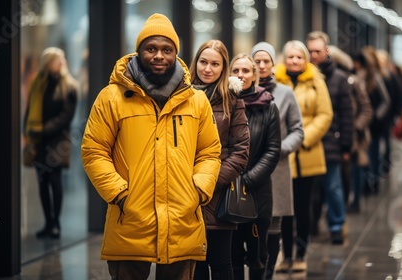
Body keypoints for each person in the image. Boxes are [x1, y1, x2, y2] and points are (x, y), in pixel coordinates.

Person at [81, 13, 222, 279]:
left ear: (175, 54)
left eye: (166, 50)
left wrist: (198, 190)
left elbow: (210, 152)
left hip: (182, 220)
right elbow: (94, 150)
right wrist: (121, 195)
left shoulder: (196, 101)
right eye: (151, 49)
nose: (159, 56)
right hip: (130, 221)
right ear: (139, 52)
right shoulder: (112, 98)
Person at [189, 39, 250, 280]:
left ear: (223, 68)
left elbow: (241, 150)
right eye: (203, 62)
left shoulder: (232, 99)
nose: (208, 69)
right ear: (196, 63)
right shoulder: (181, 95)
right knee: (195, 263)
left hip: (218, 192)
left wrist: (211, 181)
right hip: (185, 190)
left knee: (221, 261)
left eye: (215, 64)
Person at [274, 40, 333, 273]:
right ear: (284, 59)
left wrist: (303, 138)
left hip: (308, 152)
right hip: (282, 154)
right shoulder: (276, 81)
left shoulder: (316, 81)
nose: (295, 61)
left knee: (303, 206)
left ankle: (300, 254)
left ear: (306, 59)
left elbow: (325, 115)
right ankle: (285, 255)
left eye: (299, 57)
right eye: (291, 57)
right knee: (284, 208)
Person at [250, 42, 304, 279]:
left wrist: (280, 149)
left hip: (277, 168)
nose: (261, 66)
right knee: (250, 225)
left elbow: (297, 130)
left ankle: (268, 273)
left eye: (266, 61)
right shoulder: (239, 90)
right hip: (249, 168)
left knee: (273, 226)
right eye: (257, 61)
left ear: (273, 64)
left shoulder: (284, 93)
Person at [229, 53, 281, 280]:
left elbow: (272, 151)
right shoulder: (223, 103)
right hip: (226, 188)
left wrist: (247, 180)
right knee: (231, 255)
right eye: (236, 70)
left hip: (257, 190)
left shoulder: (268, 106)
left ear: (255, 75)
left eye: (246, 71)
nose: (240, 75)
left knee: (257, 253)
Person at [23, 46, 78, 239]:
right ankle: (48, 222)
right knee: (42, 182)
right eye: (57, 59)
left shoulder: (69, 86)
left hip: (58, 141)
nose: (61, 62)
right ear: (48, 62)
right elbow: (30, 110)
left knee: (54, 181)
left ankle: (56, 224)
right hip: (39, 141)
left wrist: (42, 130)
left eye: (62, 59)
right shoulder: (38, 83)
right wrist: (27, 132)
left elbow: (66, 117)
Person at [306, 31, 354, 244]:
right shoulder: (305, 77)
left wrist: (346, 145)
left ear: (327, 51)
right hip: (308, 142)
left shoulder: (339, 79)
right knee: (309, 189)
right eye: (310, 51)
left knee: (333, 186)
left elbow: (346, 114)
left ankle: (336, 226)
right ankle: (310, 224)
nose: (313, 55)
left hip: (332, 141)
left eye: (317, 51)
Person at [328, 45, 373, 214]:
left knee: (355, 169)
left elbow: (366, 109)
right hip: (335, 135)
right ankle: (342, 203)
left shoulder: (353, 82)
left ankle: (356, 201)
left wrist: (356, 127)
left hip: (355, 135)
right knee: (340, 173)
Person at [352, 47, 390, 195]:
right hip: (361, 125)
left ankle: (372, 184)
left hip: (374, 126)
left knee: (373, 155)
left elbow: (386, 100)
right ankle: (364, 187)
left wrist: (375, 116)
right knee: (363, 156)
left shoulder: (374, 77)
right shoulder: (353, 76)